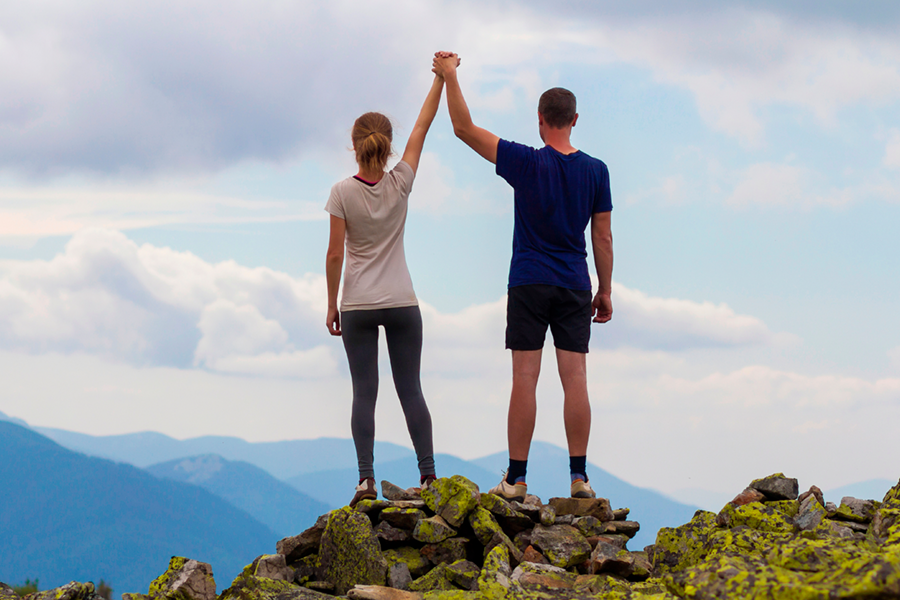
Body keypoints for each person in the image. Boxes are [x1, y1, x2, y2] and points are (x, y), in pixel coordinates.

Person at [432, 52, 614, 502]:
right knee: (575, 379)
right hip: (575, 282)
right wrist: (605, 289)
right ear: (574, 120)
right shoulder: (596, 171)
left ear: (539, 120)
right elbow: (603, 237)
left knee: (525, 379)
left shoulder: (526, 162)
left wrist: (450, 75)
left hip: (529, 280)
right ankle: (579, 478)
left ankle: (515, 479)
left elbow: (462, 128)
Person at [325, 71, 448, 507]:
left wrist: (331, 304)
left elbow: (336, 255)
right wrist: (442, 79)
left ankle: (365, 481)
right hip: (401, 302)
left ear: (354, 145)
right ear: (388, 145)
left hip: (358, 304)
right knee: (410, 389)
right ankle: (430, 477)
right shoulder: (401, 182)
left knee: (364, 392)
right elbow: (423, 125)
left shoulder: (342, 192)